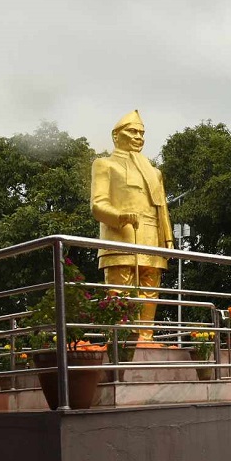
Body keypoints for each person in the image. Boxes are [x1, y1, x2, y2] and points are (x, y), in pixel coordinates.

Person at [90, 109, 175, 341]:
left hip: (152, 240)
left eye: (142, 133)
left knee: (149, 293)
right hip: (120, 239)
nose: (139, 137)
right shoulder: (105, 165)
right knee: (120, 294)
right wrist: (120, 216)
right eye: (133, 131)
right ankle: (121, 341)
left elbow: (162, 209)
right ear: (116, 135)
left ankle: (145, 340)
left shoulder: (154, 172)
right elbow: (97, 205)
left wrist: (167, 240)